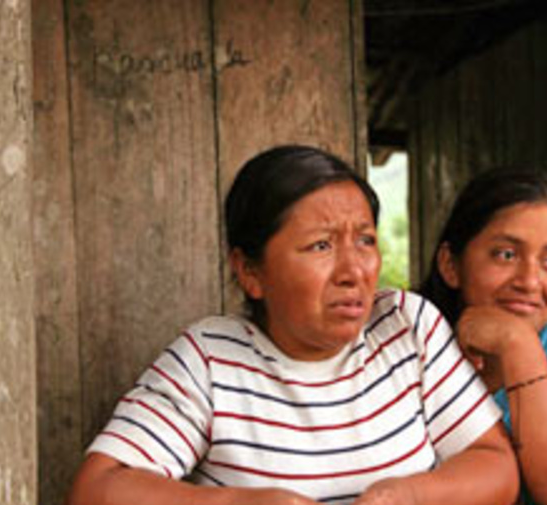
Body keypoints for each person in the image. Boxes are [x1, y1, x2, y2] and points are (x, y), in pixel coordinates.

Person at [66, 146, 519, 505]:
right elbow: (98, 488)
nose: (354, 271)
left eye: (365, 240)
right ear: (250, 271)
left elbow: (494, 465)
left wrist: (409, 496)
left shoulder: (406, 326)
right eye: (321, 245)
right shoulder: (210, 360)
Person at [420, 170, 547, 505]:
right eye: (506, 255)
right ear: (451, 265)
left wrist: (517, 343)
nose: (530, 281)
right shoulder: (410, 349)